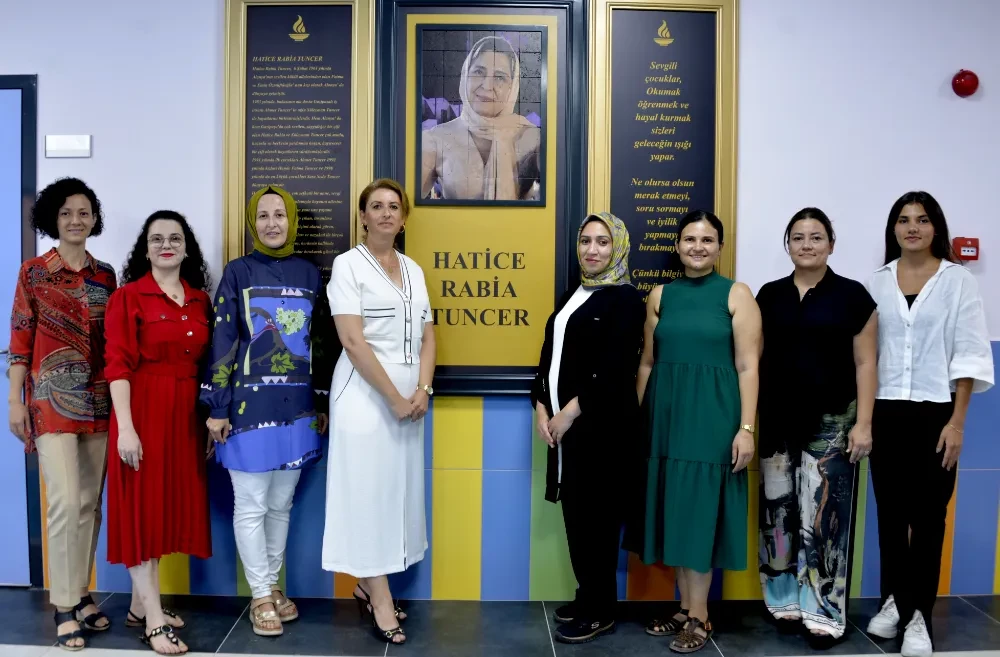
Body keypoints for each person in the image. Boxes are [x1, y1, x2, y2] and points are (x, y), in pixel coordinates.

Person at [865, 191, 993, 657]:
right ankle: (893, 602)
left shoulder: (957, 281)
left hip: (936, 413)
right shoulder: (877, 282)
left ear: (935, 227)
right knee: (890, 516)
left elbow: (969, 354)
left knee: (928, 517)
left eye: (921, 220)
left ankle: (919, 614)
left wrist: (957, 422)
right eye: (903, 220)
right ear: (893, 229)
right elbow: (868, 355)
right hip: (885, 411)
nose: (912, 228)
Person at [630, 210, 762, 654]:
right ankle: (685, 608)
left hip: (712, 419)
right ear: (678, 245)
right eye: (690, 239)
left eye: (707, 240)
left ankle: (700, 616)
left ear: (720, 247)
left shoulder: (737, 294)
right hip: (665, 420)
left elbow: (748, 367)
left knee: (700, 514)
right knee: (677, 513)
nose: (698, 247)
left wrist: (746, 428)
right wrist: (640, 420)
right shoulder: (661, 295)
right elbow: (647, 363)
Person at [200, 186, 329, 637]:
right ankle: (259, 595)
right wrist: (217, 407)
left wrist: (321, 399)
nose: (272, 223)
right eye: (263, 216)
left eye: (280, 215)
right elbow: (223, 339)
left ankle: (272, 586)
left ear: (291, 221)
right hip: (246, 411)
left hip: (299, 410)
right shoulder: (238, 272)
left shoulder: (310, 274)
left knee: (280, 504)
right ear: (252, 224)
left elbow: (320, 342)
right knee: (252, 503)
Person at [322, 178, 435, 645]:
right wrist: (393, 398)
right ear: (363, 216)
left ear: (404, 218)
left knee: (395, 494)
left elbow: (428, 334)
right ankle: (381, 599)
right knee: (367, 494)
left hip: (409, 400)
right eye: (376, 206)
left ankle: (369, 586)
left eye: (394, 206)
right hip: (365, 397)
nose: (386, 213)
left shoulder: (413, 269)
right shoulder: (347, 265)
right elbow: (352, 340)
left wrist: (423, 389)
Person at [755, 208, 877, 643]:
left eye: (816, 237)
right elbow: (753, 359)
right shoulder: (769, 295)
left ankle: (824, 610)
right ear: (787, 244)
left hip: (833, 422)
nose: (806, 244)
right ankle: (782, 599)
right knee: (777, 513)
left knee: (825, 518)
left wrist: (864, 423)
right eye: (798, 237)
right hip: (776, 420)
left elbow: (866, 364)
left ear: (831, 244)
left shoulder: (853, 296)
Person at [7, 177, 116, 651]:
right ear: (53, 218)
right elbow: (20, 338)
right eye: (67, 212)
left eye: (84, 212)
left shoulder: (106, 275)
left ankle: (82, 592)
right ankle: (64, 605)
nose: (76, 220)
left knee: (89, 504)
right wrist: (14, 400)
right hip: (50, 404)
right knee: (65, 502)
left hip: (99, 401)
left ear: (94, 219)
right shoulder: (33, 272)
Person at [530, 213, 645, 644]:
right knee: (577, 516)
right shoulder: (573, 294)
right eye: (585, 241)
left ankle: (601, 610)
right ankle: (587, 596)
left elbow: (616, 369)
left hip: (602, 430)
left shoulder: (626, 300)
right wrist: (541, 405)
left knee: (598, 520)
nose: (592, 250)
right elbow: (549, 355)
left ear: (618, 247)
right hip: (565, 431)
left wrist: (569, 412)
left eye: (602, 242)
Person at [104, 211, 214, 655]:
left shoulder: (200, 300)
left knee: (164, 512)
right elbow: (117, 366)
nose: (166, 245)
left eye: (174, 238)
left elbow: (208, 365)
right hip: (142, 412)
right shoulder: (128, 297)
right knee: (141, 514)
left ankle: (138, 606)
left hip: (184, 417)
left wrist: (207, 420)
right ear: (145, 249)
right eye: (157, 239)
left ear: (187, 248)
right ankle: (153, 620)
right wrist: (126, 429)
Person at [420, 35, 541, 201]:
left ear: (512, 86)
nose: (487, 86)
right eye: (478, 72)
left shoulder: (531, 137)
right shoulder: (435, 139)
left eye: (499, 77)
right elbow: (406, 203)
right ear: (465, 75)